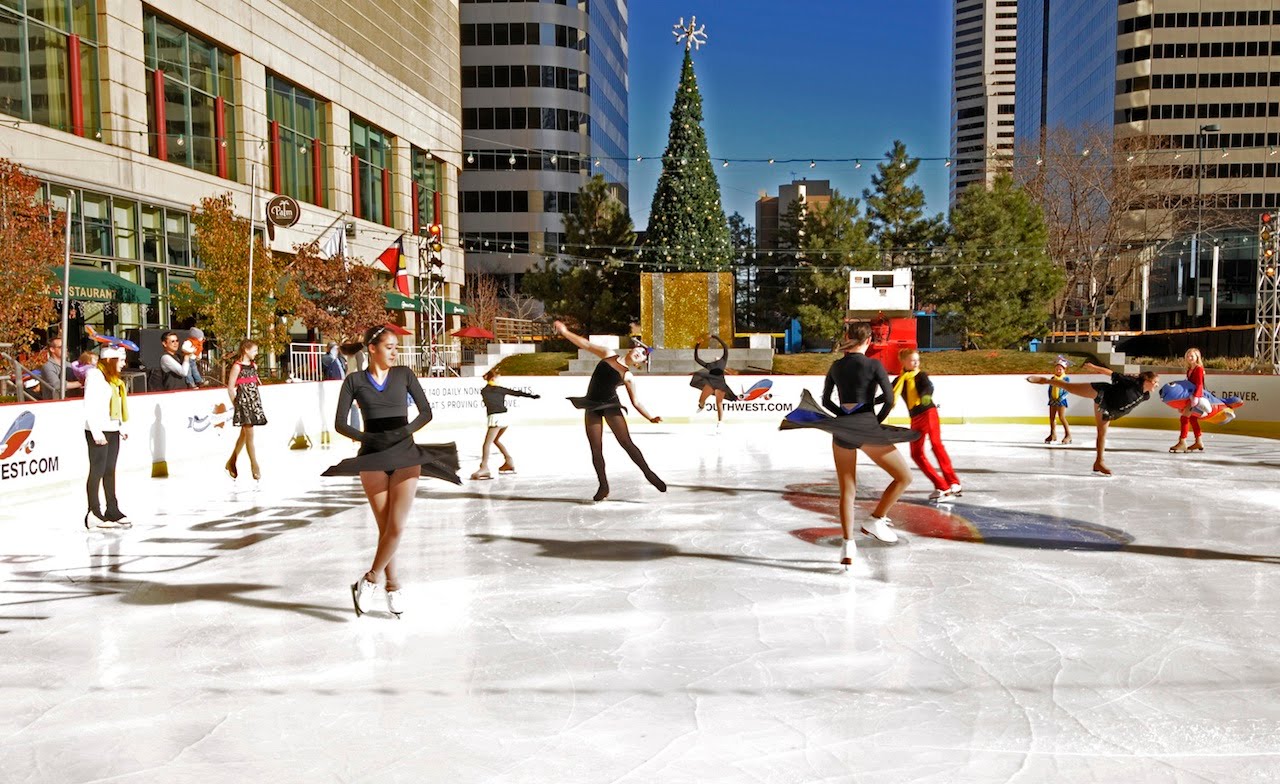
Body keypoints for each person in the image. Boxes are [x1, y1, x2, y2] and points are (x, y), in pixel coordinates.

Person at [324, 324, 461, 618]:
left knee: (396, 527)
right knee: (386, 528)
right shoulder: (354, 381)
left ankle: (371, 579)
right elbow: (340, 424)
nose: (395, 353)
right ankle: (393, 586)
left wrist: (403, 432)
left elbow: (426, 412)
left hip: (406, 455)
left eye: (396, 348)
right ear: (372, 349)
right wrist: (369, 438)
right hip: (371, 457)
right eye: (389, 348)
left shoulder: (404, 375)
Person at [780, 323, 918, 568]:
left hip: (842, 430)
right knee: (904, 477)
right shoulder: (874, 365)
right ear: (869, 341)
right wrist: (874, 421)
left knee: (847, 490)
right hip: (866, 427)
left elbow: (826, 401)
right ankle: (876, 519)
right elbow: (889, 400)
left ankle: (848, 546)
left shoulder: (836, 366)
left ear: (848, 338)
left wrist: (843, 419)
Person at [554, 320, 666, 502]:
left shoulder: (628, 376)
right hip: (592, 405)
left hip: (610, 406)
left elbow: (636, 402)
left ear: (639, 364)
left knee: (626, 442)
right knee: (596, 448)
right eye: (639, 350)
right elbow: (586, 344)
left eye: (642, 356)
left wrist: (650, 417)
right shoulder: (608, 354)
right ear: (631, 349)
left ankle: (648, 473)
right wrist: (565, 332)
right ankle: (603, 486)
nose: (639, 354)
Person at [1026, 362, 1159, 476]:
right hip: (1101, 391)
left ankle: (1099, 462)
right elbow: (1111, 374)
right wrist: (1094, 367)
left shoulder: (1146, 396)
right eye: (1155, 382)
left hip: (1108, 408)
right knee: (1070, 387)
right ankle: (1046, 381)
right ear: (1147, 380)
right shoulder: (1132, 382)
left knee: (1102, 433)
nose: (1157, 385)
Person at [893, 349, 961, 501]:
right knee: (916, 453)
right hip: (915, 418)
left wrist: (925, 395)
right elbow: (888, 395)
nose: (916, 363)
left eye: (918, 360)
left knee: (936, 444)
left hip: (928, 412)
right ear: (903, 361)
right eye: (912, 360)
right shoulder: (899, 381)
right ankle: (941, 485)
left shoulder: (921, 375)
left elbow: (928, 387)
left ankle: (953, 482)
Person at [82, 345, 131, 529]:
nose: (124, 364)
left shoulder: (113, 379)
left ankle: (112, 509)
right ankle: (93, 512)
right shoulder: (95, 376)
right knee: (97, 470)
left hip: (112, 428)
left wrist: (120, 426)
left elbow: (114, 404)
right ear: (110, 360)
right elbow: (90, 405)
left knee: (110, 470)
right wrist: (96, 431)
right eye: (121, 360)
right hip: (98, 430)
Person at [471, 367, 540, 480]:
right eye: (498, 378)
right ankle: (509, 461)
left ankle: (484, 468)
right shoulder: (498, 389)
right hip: (505, 418)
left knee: (487, 444)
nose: (499, 380)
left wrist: (532, 396)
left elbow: (510, 394)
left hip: (496, 418)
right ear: (493, 378)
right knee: (495, 440)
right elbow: (516, 393)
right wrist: (532, 396)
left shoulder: (485, 390)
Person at [225, 340, 268, 481]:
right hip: (243, 404)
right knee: (249, 435)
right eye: (254, 350)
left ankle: (231, 462)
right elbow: (230, 388)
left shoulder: (254, 366)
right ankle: (254, 465)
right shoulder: (237, 367)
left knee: (244, 435)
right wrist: (236, 405)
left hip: (253, 403)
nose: (256, 353)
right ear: (246, 350)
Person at [690, 334, 738, 428]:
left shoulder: (723, 360)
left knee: (719, 402)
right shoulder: (710, 365)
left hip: (720, 383)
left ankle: (720, 421)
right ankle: (701, 406)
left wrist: (714, 337)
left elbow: (725, 346)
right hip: (711, 382)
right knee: (701, 400)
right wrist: (698, 344)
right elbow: (697, 359)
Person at [1170, 348, 1207, 453]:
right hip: (1190, 397)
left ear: (1197, 357)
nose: (1189, 358)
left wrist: (1196, 397)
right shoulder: (1189, 370)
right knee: (1193, 419)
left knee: (1184, 418)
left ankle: (1182, 442)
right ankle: (1199, 441)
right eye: (1187, 356)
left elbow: (1199, 384)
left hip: (1195, 397)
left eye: (1192, 356)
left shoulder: (1198, 369)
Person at [40, 335, 82, 399]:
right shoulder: (48, 366)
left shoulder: (70, 365)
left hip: (72, 401)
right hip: (56, 403)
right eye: (61, 347)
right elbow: (57, 385)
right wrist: (80, 383)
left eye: (66, 347)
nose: (66, 349)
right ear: (52, 349)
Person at [1045, 355, 1072, 445]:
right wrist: (1050, 398)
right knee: (1052, 417)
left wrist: (1061, 398)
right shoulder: (1053, 378)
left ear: (1064, 370)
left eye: (1060, 369)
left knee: (1061, 417)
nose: (1058, 371)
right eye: (1057, 369)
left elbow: (1067, 390)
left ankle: (1068, 435)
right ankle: (1053, 434)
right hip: (1052, 400)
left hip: (1061, 400)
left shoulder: (1065, 378)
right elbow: (1050, 389)